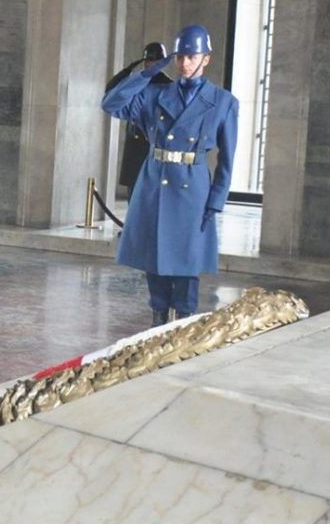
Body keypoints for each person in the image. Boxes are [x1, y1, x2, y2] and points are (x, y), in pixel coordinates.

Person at [101, 25, 238, 325]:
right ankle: (158, 318)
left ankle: (183, 321)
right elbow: (111, 104)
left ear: (206, 59)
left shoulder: (223, 102)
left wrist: (216, 200)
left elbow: (227, 159)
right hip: (155, 181)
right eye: (179, 57)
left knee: (187, 260)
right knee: (155, 255)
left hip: (193, 184)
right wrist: (147, 74)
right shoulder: (154, 94)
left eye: (191, 57)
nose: (184, 63)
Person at [105, 41, 171, 200]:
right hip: (135, 143)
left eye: (156, 61)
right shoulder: (136, 81)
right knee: (134, 194)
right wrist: (128, 69)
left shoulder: (169, 85)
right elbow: (111, 93)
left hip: (154, 143)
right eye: (149, 60)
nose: (152, 64)